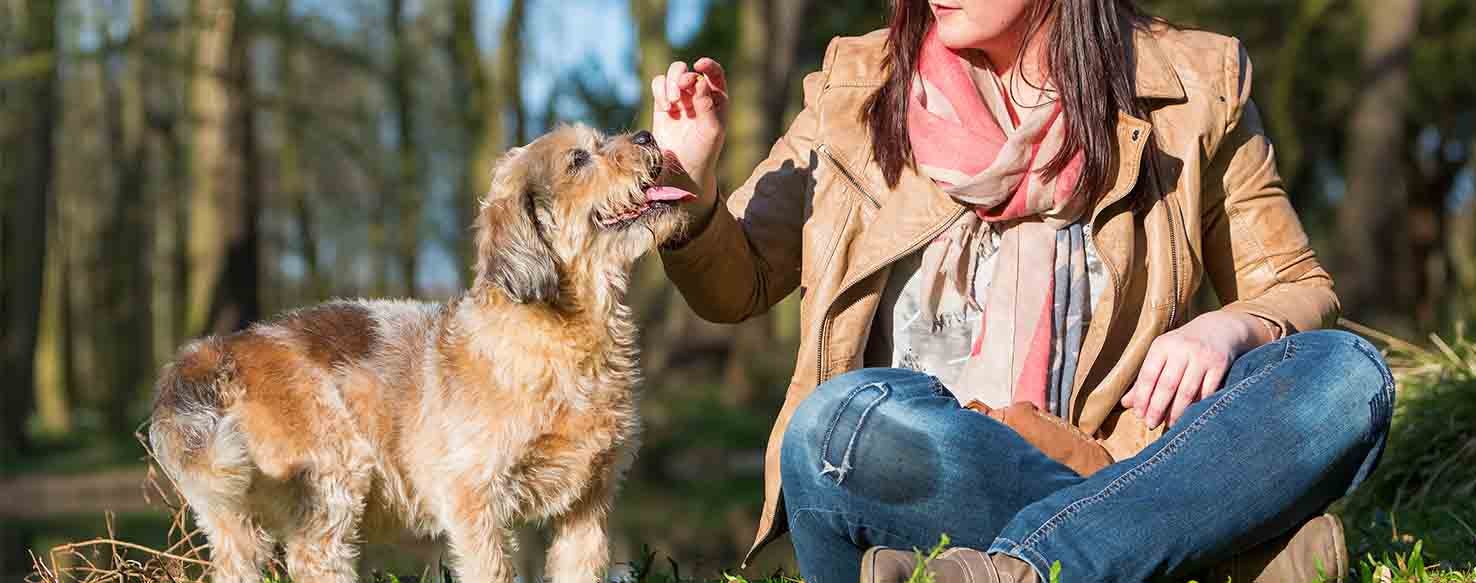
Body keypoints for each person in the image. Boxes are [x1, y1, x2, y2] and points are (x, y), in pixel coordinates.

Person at [648, 1, 1393, 581]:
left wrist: (1230, 328)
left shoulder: (1195, 86)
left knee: (1348, 375)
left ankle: (1015, 569)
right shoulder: (855, 88)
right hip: (911, 475)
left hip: (1112, 452)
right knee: (832, 428)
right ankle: (1188, 557)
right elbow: (736, 282)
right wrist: (689, 183)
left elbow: (1296, 286)